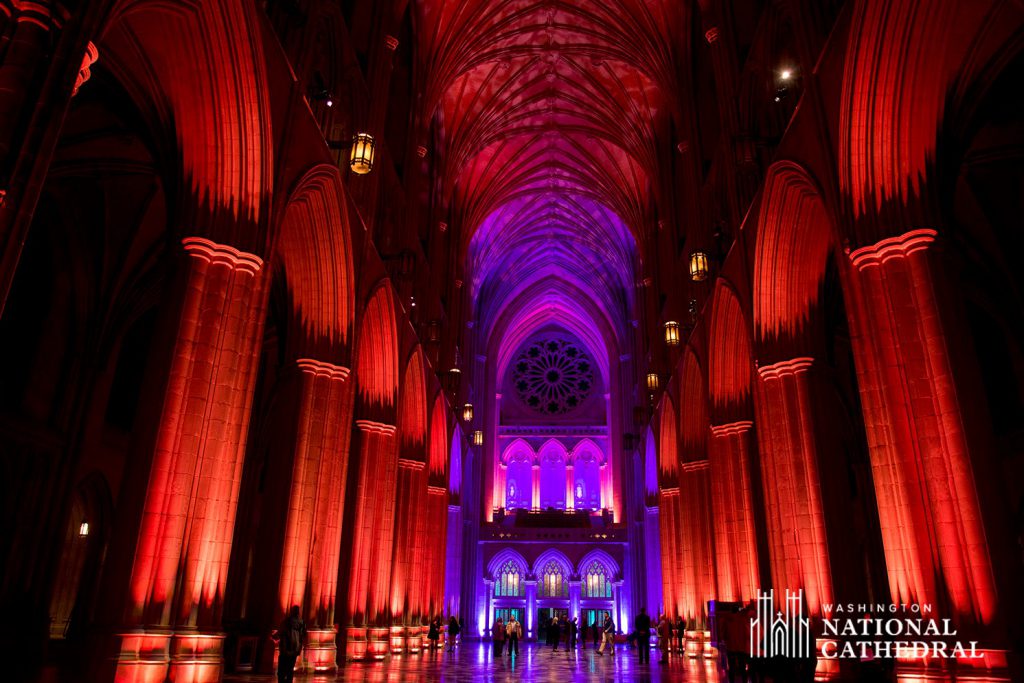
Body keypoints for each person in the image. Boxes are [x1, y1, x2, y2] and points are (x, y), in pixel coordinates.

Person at [273, 605, 305, 683]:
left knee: (282, 669)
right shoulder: (302, 623)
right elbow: (303, 635)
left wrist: (274, 637)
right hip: (295, 648)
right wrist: (299, 648)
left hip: (285, 648)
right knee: (290, 668)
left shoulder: (287, 621)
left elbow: (280, 632)